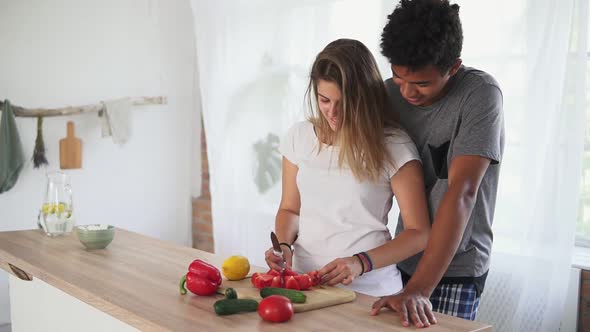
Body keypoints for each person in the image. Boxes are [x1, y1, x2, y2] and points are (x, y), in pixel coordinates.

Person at [370, 0, 505, 327]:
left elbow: (463, 193)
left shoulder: (480, 95)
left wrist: (418, 289)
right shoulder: (387, 95)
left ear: (454, 67)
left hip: (457, 264)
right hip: (404, 254)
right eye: (398, 77)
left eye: (422, 84)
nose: (407, 92)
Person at [264, 38, 431, 298]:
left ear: (365, 97)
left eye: (344, 103)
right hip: (305, 286)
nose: (333, 113)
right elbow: (289, 209)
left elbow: (419, 233)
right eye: (324, 100)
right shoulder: (300, 137)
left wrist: (360, 262)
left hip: (370, 291)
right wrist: (284, 246)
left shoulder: (394, 145)